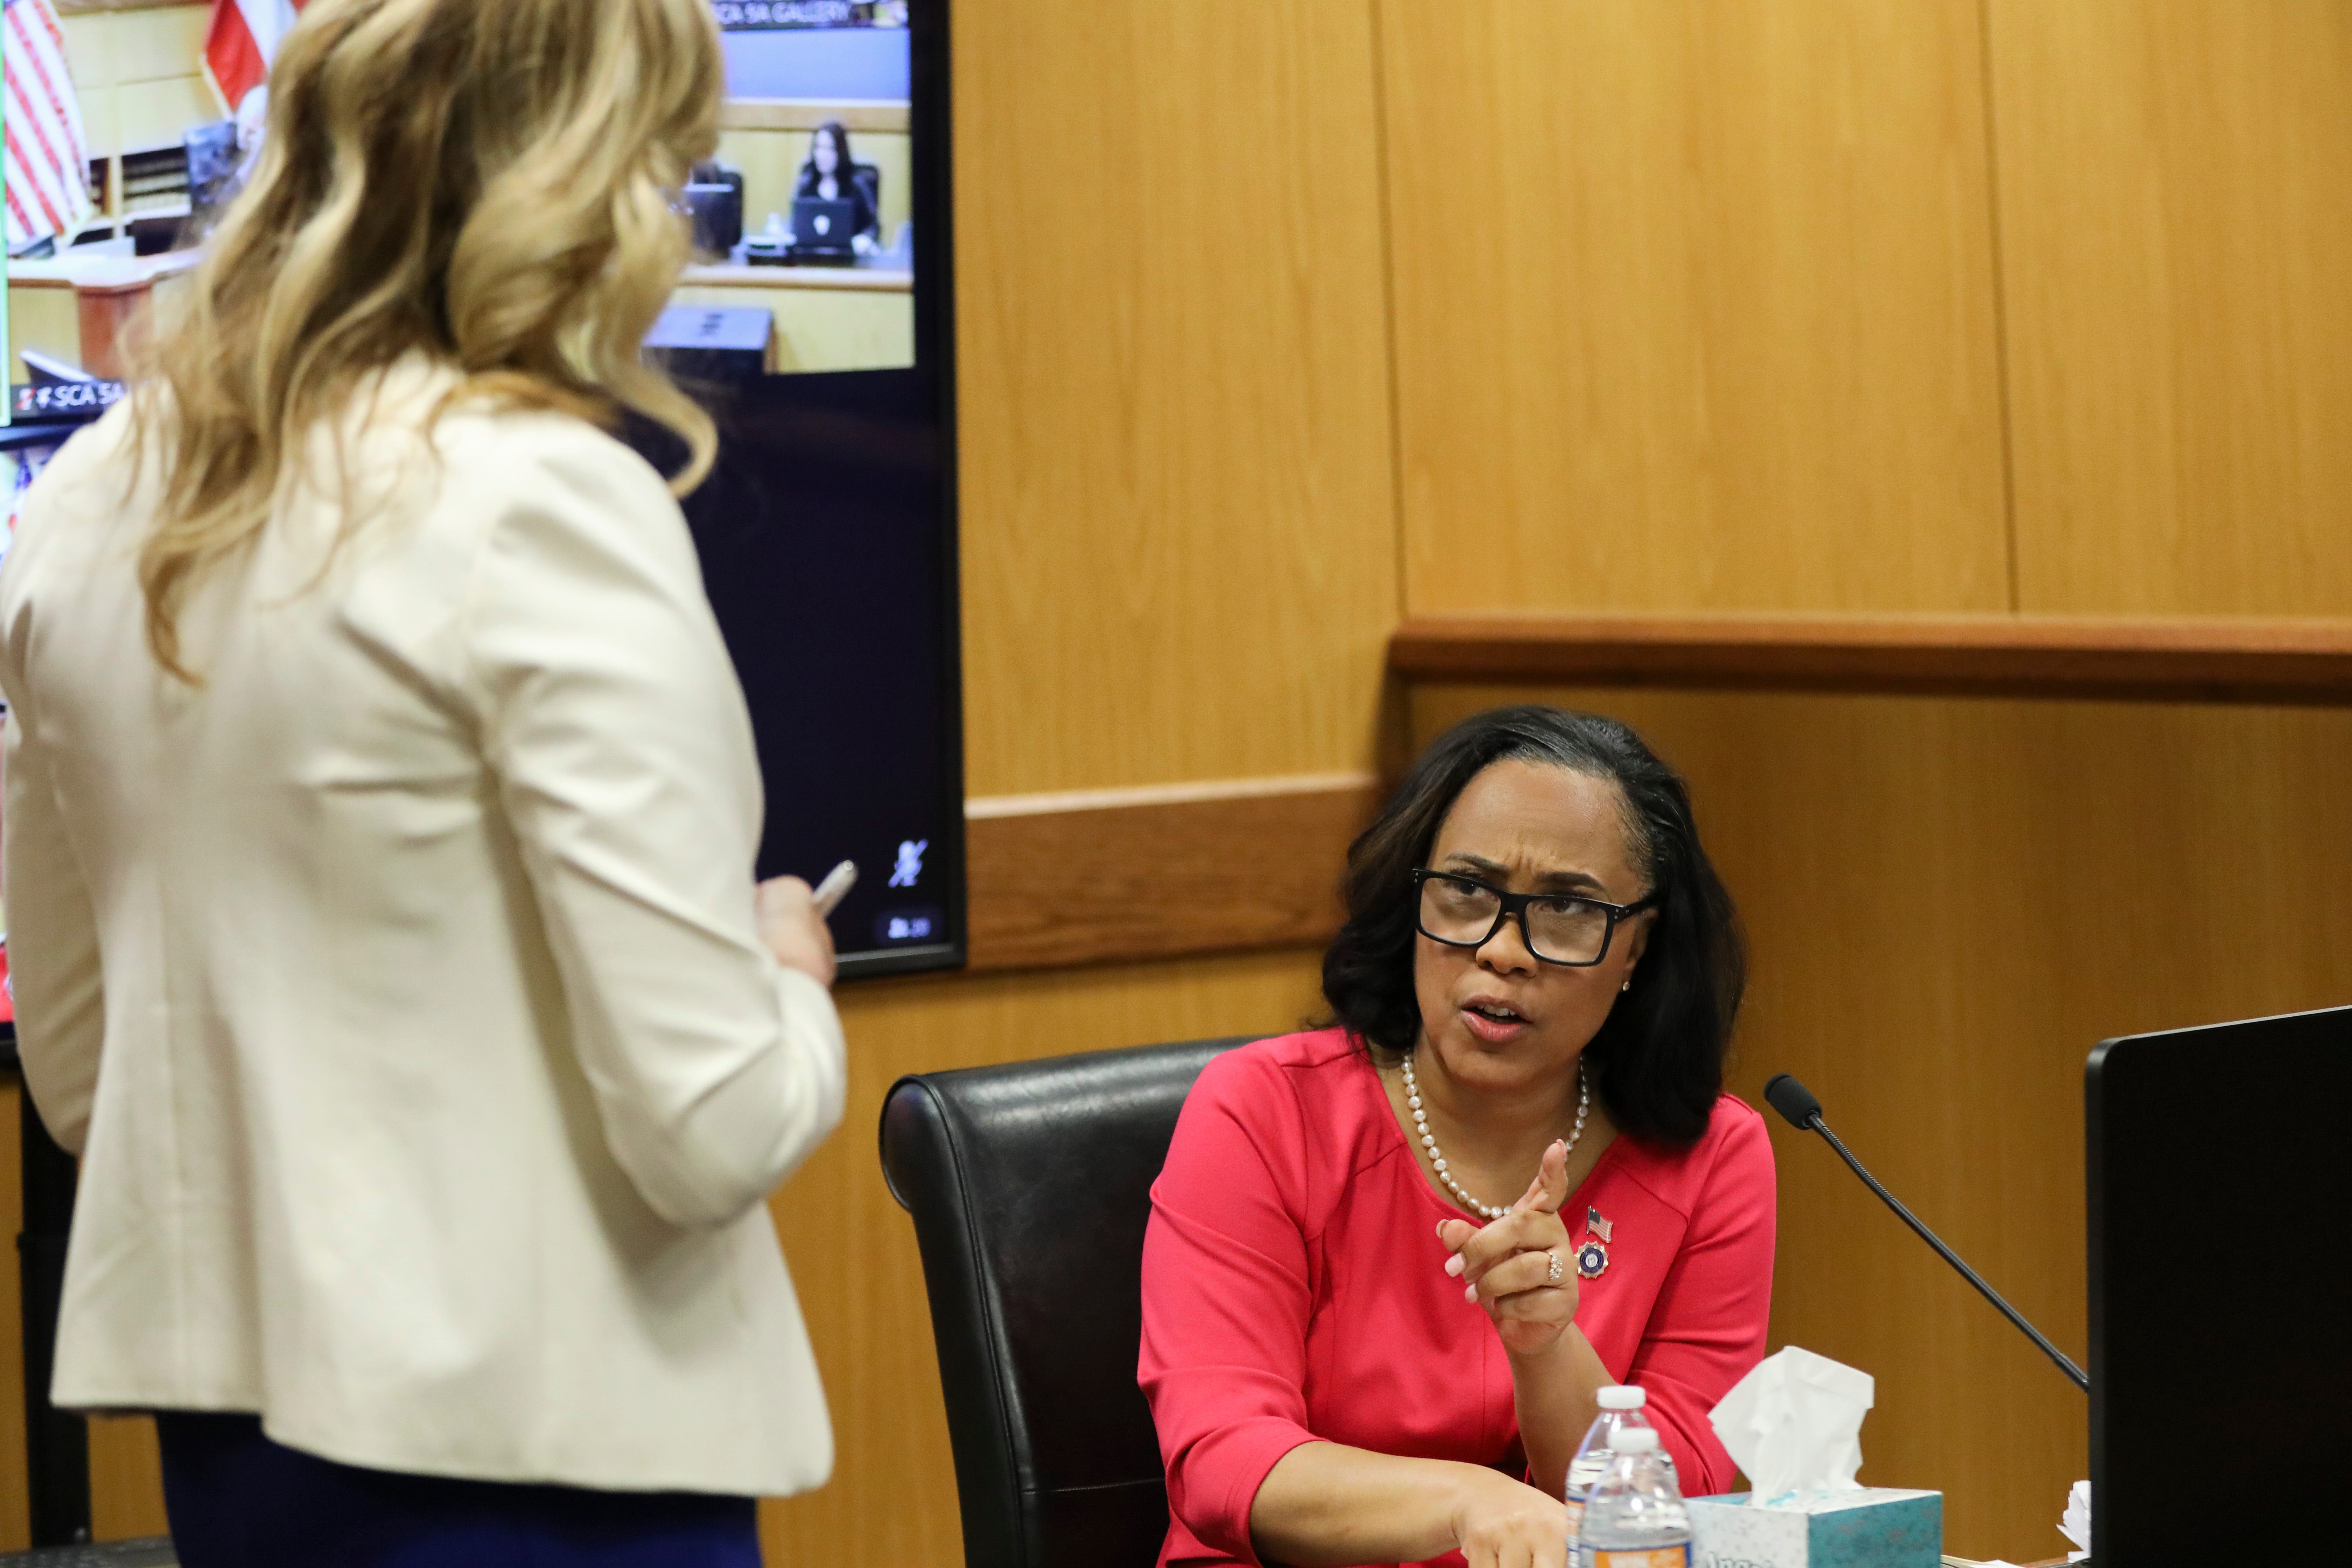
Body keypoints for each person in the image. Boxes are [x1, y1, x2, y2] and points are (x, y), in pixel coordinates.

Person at [0, 1, 846, 1563]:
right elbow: (713, 1125)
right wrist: (784, 969)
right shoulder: (541, 500)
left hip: (243, 1465)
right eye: (665, 169)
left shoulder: (86, 495)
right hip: (551, 1458)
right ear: (581, 185)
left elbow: (74, 1069)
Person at [1140, 706, 1774, 1568]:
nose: (1503, 950)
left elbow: (1683, 1495)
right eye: (1467, 893)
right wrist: (1471, 1504)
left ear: (1638, 948)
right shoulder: (1263, 1112)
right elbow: (1221, 1462)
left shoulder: (1710, 1155)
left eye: (1566, 909)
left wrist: (1549, 1348)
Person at [793, 118, 881, 252]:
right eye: (818, 148)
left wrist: (865, 239)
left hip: (849, 262)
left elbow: (873, 227)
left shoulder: (855, 187)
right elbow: (797, 227)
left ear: (840, 152)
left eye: (830, 149)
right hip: (811, 261)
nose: (823, 155)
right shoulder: (806, 185)